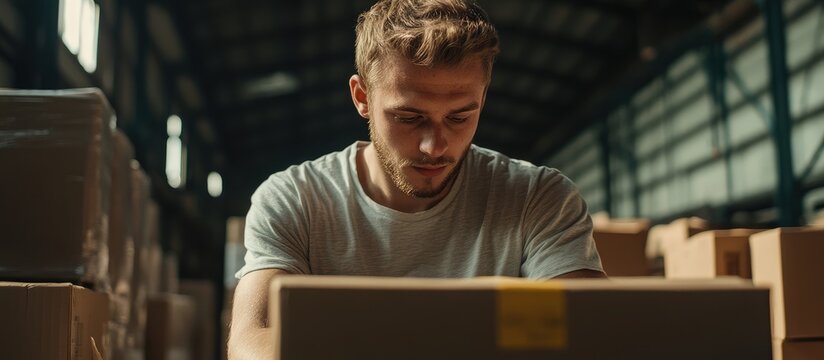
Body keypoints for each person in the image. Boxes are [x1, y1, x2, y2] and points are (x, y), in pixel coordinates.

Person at [228, 0, 605, 358]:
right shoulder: (295, 199)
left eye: (459, 117)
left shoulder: (537, 198)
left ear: (484, 97)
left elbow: (592, 332)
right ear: (362, 97)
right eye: (409, 117)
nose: (434, 146)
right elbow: (251, 338)